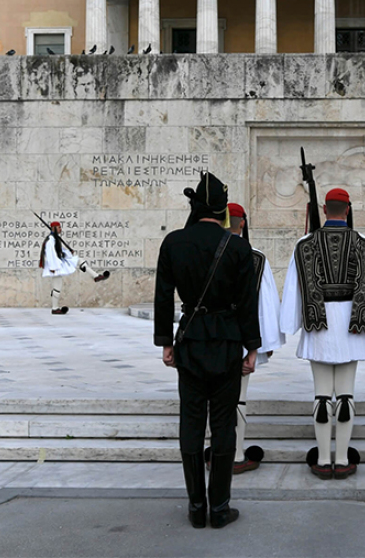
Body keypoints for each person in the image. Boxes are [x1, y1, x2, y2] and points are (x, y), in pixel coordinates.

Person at [154, 173, 261, 529]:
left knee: (191, 423)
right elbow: (248, 303)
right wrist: (252, 348)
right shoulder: (238, 247)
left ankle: (196, 507)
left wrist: (166, 343)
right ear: (222, 210)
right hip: (228, 342)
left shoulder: (173, 242)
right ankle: (220, 508)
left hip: (191, 342)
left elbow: (163, 298)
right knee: (223, 425)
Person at [279, 188, 365, 480]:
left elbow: (293, 289)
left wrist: (291, 324)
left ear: (323, 207)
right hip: (352, 326)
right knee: (345, 395)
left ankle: (321, 458)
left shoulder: (304, 244)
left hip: (319, 325)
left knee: (321, 395)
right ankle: (341, 460)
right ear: (348, 208)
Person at [226, 202, 285, 474]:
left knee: (214, 400)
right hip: (240, 341)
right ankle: (236, 454)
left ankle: (219, 452)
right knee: (238, 398)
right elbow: (266, 305)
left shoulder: (202, 252)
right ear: (243, 223)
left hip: (208, 341)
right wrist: (265, 344)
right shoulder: (256, 258)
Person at [39, 221, 109, 315]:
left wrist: (68, 253)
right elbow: (50, 254)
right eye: (59, 227)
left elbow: (60, 251)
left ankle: (96, 276)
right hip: (55, 265)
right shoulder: (51, 239)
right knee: (57, 287)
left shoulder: (55, 238)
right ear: (54, 228)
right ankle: (55, 308)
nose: (60, 229)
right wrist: (53, 267)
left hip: (58, 263)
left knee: (79, 260)